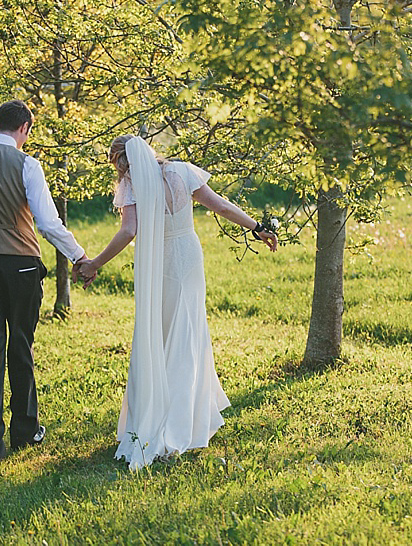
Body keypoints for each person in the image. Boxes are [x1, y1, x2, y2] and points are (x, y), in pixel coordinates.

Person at [75, 135, 277, 470]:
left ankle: (161, 415)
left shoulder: (132, 184)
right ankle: (187, 414)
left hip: (159, 261)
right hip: (187, 253)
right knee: (188, 329)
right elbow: (222, 206)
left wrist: (95, 263)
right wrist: (257, 227)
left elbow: (129, 232)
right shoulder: (183, 172)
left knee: (161, 330)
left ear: (120, 162)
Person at [0, 100, 94, 462]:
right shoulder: (28, 165)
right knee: (21, 346)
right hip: (22, 266)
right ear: (24, 127)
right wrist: (79, 256)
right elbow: (47, 223)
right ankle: (25, 433)